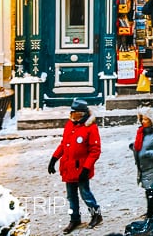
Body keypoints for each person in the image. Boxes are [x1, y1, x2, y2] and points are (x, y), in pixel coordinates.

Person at [47, 99, 103, 233]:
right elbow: (63, 144)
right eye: (72, 114)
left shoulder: (90, 128)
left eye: (76, 115)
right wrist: (54, 158)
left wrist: (86, 168)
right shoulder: (70, 125)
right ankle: (74, 218)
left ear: (83, 114)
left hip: (82, 169)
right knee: (71, 196)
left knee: (85, 194)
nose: (73, 117)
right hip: (69, 168)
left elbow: (95, 151)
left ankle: (96, 214)